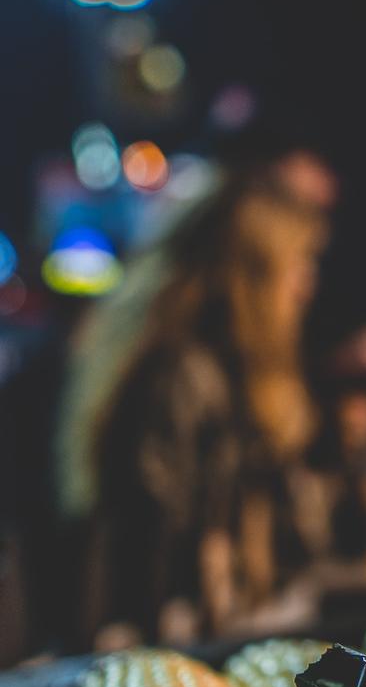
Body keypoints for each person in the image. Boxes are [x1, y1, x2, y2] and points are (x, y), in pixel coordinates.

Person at [54, 152, 333, 647]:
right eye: (299, 263)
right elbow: (147, 593)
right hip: (175, 678)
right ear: (251, 277)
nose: (307, 285)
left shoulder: (241, 383)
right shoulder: (180, 381)